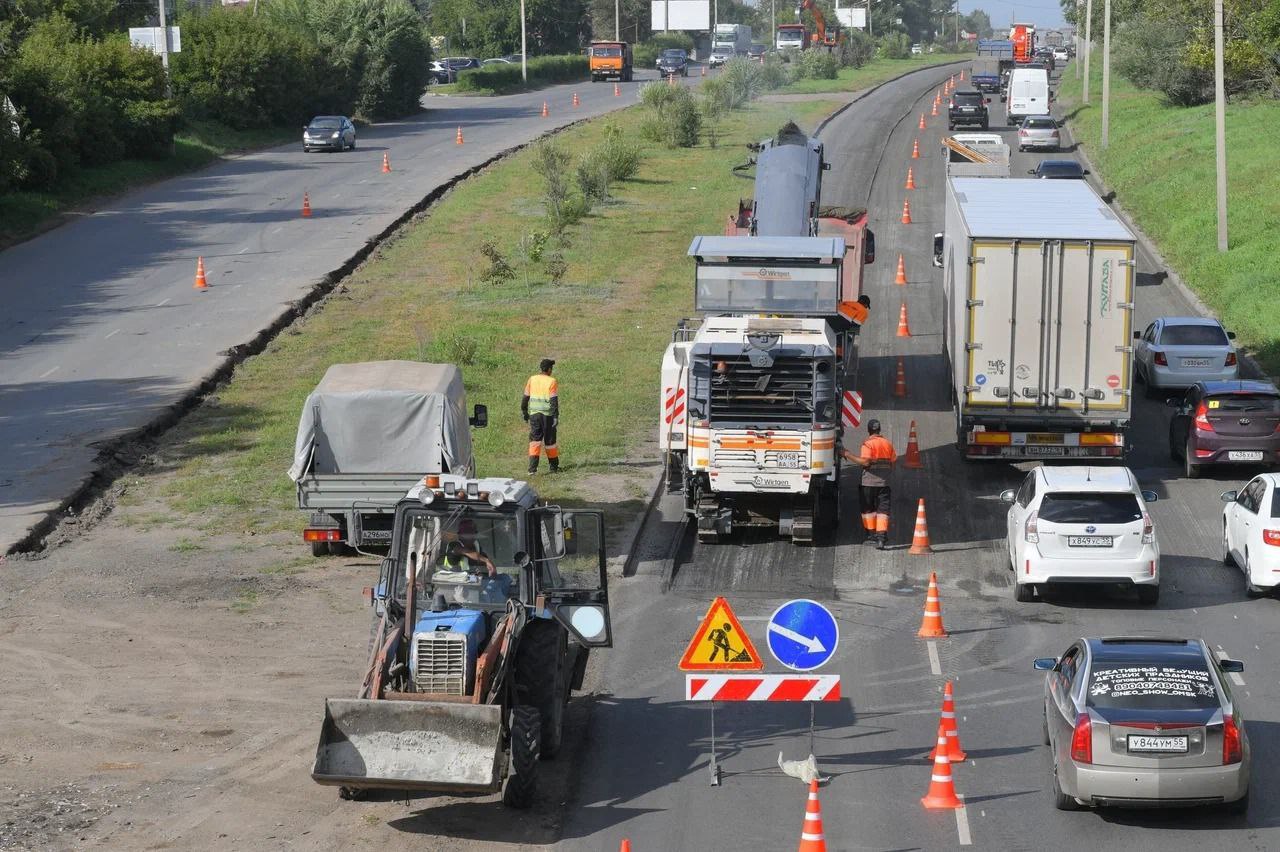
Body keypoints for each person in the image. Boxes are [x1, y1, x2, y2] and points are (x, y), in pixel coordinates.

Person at [841, 418, 897, 549]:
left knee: (868, 510)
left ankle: (871, 535)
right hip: (884, 484)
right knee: (883, 511)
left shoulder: (868, 444)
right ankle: (881, 538)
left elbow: (866, 462)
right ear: (879, 429)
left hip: (868, 484)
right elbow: (893, 462)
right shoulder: (887, 444)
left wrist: (847, 454)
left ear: (868, 430)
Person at [521, 358, 560, 473]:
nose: (551, 371)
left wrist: (524, 411)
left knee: (535, 442)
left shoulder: (532, 379)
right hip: (547, 416)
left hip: (534, 415)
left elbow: (525, 397)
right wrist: (555, 416)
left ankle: (532, 470)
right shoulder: (552, 381)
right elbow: (553, 401)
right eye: (551, 369)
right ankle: (554, 468)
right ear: (548, 369)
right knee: (550, 442)